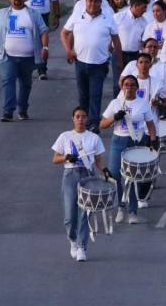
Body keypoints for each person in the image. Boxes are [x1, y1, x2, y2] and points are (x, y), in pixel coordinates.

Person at [51, 106, 110, 262]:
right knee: (70, 214)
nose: (80, 119)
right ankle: (72, 239)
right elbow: (55, 158)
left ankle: (82, 246)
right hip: (70, 174)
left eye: (83, 116)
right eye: (77, 116)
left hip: (88, 175)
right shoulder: (65, 136)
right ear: (73, 118)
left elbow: (98, 160)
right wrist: (66, 158)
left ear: (87, 119)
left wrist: (105, 171)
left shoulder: (93, 138)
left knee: (85, 212)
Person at [99, 75, 158, 225]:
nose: (129, 87)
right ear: (122, 87)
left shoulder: (143, 103)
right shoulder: (115, 103)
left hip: (136, 141)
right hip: (119, 140)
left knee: (131, 177)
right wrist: (115, 118)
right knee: (115, 175)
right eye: (126, 85)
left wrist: (153, 140)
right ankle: (120, 207)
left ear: (137, 88)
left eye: (132, 85)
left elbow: (150, 124)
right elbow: (102, 124)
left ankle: (132, 211)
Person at [61, 0, 122, 133]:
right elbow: (64, 33)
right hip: (80, 61)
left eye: (96, 1)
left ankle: (94, 123)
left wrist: (119, 60)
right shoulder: (77, 15)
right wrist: (68, 50)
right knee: (83, 94)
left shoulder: (108, 18)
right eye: (90, 1)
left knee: (96, 93)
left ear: (100, 3)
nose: (92, 4)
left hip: (99, 63)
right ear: (86, 1)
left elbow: (116, 40)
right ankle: (82, 121)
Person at [0, 0, 49, 121]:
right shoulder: (1, 14)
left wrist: (45, 47)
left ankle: (23, 109)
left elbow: (43, 31)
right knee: (8, 81)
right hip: (7, 56)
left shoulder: (33, 14)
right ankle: (8, 112)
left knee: (26, 83)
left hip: (28, 57)